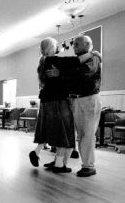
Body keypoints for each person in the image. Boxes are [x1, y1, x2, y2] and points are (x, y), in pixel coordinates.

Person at [29, 37, 95, 173]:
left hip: (47, 101)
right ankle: (59, 165)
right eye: (56, 45)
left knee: (51, 130)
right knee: (65, 131)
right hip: (58, 101)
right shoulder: (53, 60)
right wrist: (93, 54)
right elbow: (76, 61)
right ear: (51, 48)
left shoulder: (43, 62)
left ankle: (38, 153)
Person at [45, 35, 102, 177]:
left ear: (88, 45)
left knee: (86, 135)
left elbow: (83, 74)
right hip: (74, 100)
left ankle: (88, 166)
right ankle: (60, 162)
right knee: (69, 133)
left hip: (88, 100)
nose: (74, 46)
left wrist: (60, 73)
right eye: (74, 44)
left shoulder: (93, 58)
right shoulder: (78, 60)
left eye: (77, 44)